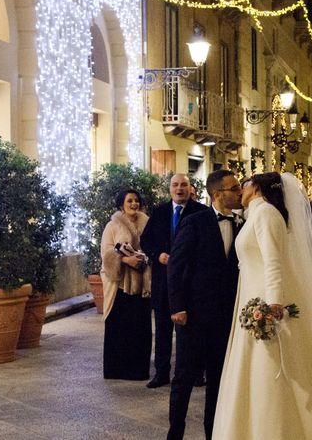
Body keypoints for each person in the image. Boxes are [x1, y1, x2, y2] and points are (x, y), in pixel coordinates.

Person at [213, 172, 312, 439]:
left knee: (270, 372)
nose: (240, 188)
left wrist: (273, 304)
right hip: (250, 298)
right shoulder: (255, 213)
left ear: (257, 187)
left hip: (262, 301)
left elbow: (273, 262)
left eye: (245, 183)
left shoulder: (266, 213)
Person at [166, 170, 242, 439]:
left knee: (219, 378)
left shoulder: (242, 224)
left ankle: (213, 432)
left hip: (226, 316)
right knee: (184, 377)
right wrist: (177, 307)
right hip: (194, 315)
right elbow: (176, 266)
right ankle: (175, 432)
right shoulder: (195, 222)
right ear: (218, 194)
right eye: (235, 188)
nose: (240, 191)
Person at [139, 174, 206, 388]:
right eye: (175, 185)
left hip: (190, 284)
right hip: (163, 283)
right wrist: (158, 254)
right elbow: (145, 240)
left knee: (191, 333)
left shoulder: (202, 213)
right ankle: (161, 373)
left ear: (190, 188)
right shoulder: (159, 212)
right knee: (162, 331)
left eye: (184, 185)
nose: (179, 189)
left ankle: (194, 373)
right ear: (169, 189)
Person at [99, 189, 152, 380]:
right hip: (121, 284)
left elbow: (153, 246)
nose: (133, 204)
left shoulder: (147, 223)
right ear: (122, 204)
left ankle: (139, 370)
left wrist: (144, 258)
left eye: (136, 200)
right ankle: (117, 369)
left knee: (140, 328)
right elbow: (106, 253)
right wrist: (124, 260)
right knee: (120, 327)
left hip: (142, 283)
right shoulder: (113, 226)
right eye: (129, 200)